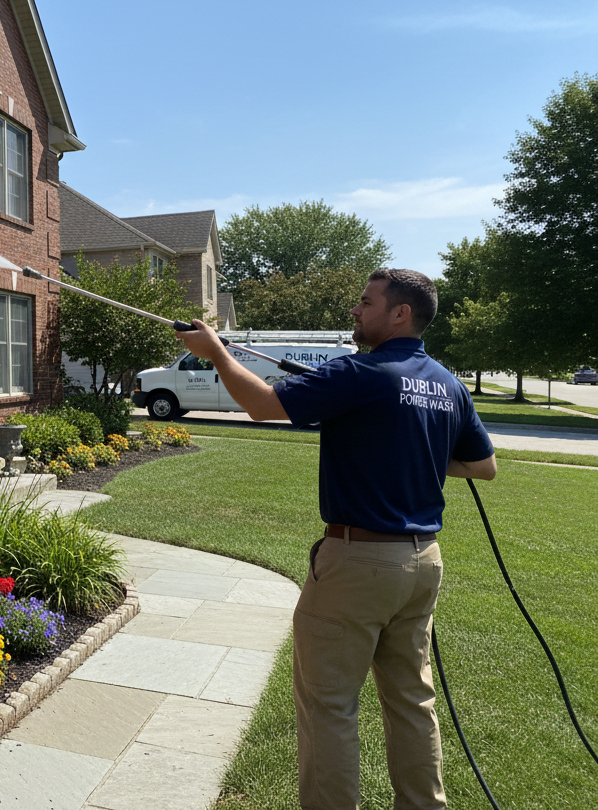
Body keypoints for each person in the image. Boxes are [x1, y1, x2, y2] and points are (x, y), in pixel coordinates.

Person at [176, 268, 496, 810]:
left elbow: (264, 406)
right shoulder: (446, 382)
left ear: (400, 314)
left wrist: (218, 354)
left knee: (329, 706)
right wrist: (405, 440)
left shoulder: (361, 373)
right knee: (413, 702)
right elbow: (483, 466)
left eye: (366, 302)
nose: (355, 311)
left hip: (359, 563)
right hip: (422, 564)